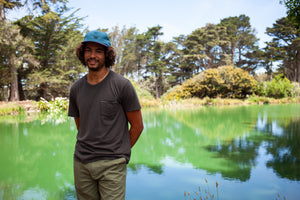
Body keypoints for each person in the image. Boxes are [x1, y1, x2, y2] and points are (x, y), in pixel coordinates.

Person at [68, 30, 144, 200]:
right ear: (82, 53)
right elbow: (82, 127)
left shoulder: (122, 85)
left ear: (107, 55)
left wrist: (118, 152)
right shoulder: (76, 89)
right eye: (88, 50)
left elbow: (137, 126)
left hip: (112, 165)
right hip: (82, 164)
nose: (92, 55)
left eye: (99, 51)